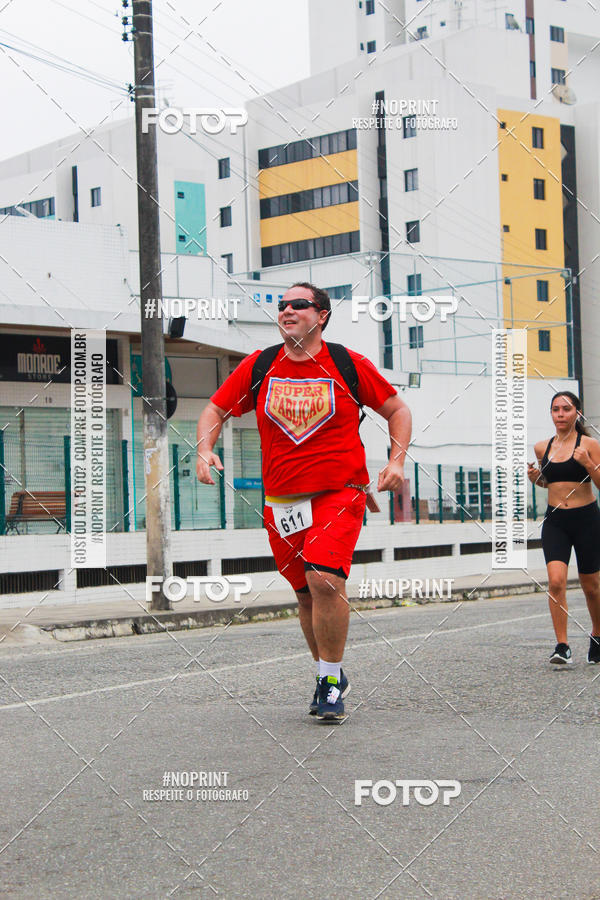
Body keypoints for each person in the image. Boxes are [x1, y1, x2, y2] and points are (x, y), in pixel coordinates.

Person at [196, 282, 411, 721]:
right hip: (281, 502)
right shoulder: (260, 366)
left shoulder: (347, 363)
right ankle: (327, 672)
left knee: (324, 579)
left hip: (339, 491)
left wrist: (396, 461)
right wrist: (204, 448)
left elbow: (397, 410)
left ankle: (330, 685)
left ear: (322, 316)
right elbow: (214, 410)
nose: (287, 311)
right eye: (282, 306)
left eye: (299, 305)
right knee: (305, 595)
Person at [528, 391, 600, 665]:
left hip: (587, 520)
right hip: (555, 521)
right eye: (556, 409)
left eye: (566, 409)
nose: (560, 414)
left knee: (591, 586)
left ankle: (597, 636)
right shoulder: (541, 447)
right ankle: (562, 646)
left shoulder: (589, 444)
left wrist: (589, 463)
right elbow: (551, 484)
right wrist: (537, 479)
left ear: (576, 414)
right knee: (556, 582)